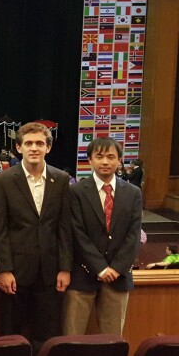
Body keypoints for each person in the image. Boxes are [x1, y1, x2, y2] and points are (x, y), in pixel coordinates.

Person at [0, 122, 72, 356]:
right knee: (11, 334)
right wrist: (4, 269)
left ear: (48, 147)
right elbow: (0, 229)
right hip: (15, 271)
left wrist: (65, 268)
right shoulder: (3, 180)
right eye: (28, 143)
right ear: (18, 148)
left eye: (39, 143)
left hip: (50, 271)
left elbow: (64, 228)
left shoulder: (62, 179)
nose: (34, 148)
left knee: (47, 335)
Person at [64, 137, 143, 337]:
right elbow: (76, 233)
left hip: (118, 276)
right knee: (72, 336)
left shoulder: (133, 193)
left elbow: (133, 235)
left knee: (113, 338)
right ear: (89, 160)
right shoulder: (76, 192)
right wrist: (100, 267)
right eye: (99, 157)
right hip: (82, 275)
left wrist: (116, 268)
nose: (105, 162)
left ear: (119, 161)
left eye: (111, 157)